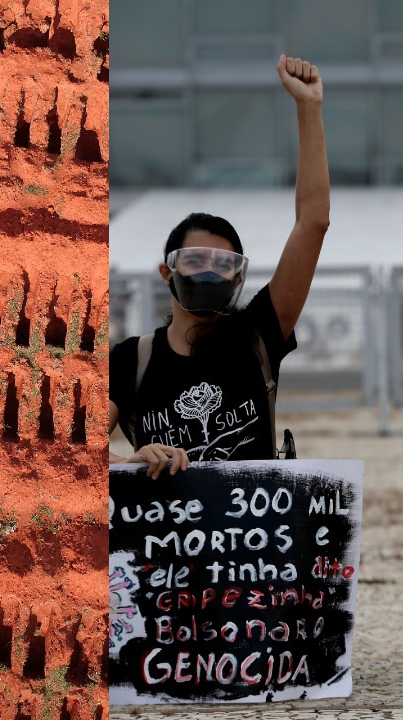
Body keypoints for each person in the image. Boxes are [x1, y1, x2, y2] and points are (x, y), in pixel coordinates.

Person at [108, 55, 330, 479]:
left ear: (239, 277)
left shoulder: (259, 335)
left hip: (255, 538)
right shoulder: (130, 361)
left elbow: (313, 222)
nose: (208, 273)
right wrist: (130, 464)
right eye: (194, 261)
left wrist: (309, 108)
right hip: (166, 540)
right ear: (166, 273)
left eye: (222, 264)